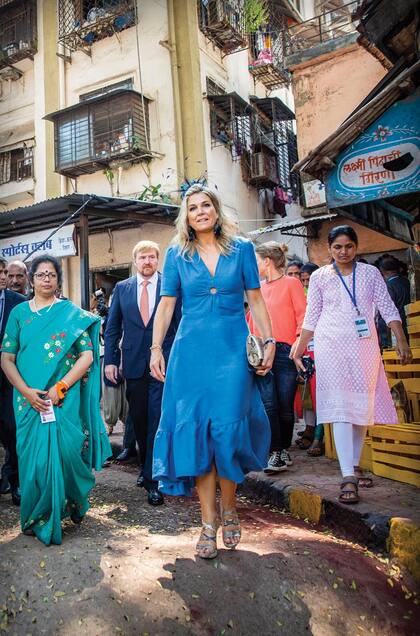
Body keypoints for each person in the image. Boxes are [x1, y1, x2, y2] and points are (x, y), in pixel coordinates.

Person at [150, 184, 274, 560]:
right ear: (186, 217)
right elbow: (167, 305)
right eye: (193, 208)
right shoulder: (176, 255)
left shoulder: (244, 250)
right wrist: (157, 348)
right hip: (190, 354)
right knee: (199, 433)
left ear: (217, 211)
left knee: (226, 431)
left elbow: (256, 299)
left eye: (206, 205)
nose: (201, 211)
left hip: (233, 353)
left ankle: (230, 507)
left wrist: (269, 343)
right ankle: (207, 522)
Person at [292, 226, 411, 504]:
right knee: (343, 409)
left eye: (348, 246)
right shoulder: (321, 277)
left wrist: (401, 338)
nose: (343, 252)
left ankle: (353, 466)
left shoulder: (370, 274)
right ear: (329, 249)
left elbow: (387, 307)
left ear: (355, 247)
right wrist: (299, 347)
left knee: (360, 408)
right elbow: (312, 315)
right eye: (337, 247)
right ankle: (347, 475)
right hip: (330, 347)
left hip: (364, 348)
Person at [0, 255, 111, 545]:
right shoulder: (19, 314)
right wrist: (26, 392)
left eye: (51, 274)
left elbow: (87, 355)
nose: (46, 279)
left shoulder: (70, 313)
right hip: (27, 401)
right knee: (33, 462)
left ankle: (73, 502)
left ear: (58, 280)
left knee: (67, 453)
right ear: (32, 280)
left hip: (63, 398)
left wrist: (61, 386)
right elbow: (7, 359)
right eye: (41, 274)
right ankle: (38, 516)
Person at [104, 240, 180, 506]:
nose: (148, 262)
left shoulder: (170, 286)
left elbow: (179, 324)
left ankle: (153, 480)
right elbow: (112, 327)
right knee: (140, 419)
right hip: (134, 364)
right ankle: (146, 467)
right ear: (135, 261)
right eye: (143, 258)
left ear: (157, 260)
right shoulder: (122, 289)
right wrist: (111, 361)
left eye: (152, 257)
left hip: (164, 363)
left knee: (157, 418)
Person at [248, 242, 306, 472]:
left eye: (257, 260)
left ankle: (282, 450)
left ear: (267, 261)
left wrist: (299, 347)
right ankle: (274, 452)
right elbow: (251, 321)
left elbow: (303, 315)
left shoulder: (292, 283)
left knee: (284, 406)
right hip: (262, 350)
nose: (254, 265)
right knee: (268, 405)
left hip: (286, 351)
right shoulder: (258, 288)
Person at [0, 257, 25, 504]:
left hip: (10, 379)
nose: (3, 277)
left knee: (13, 429)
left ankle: (16, 482)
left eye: (3, 272)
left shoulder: (19, 304)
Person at [378, 255, 411, 346]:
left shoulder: (388, 286)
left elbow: (388, 309)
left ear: (382, 271)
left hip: (397, 326)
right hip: (410, 322)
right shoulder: (406, 281)